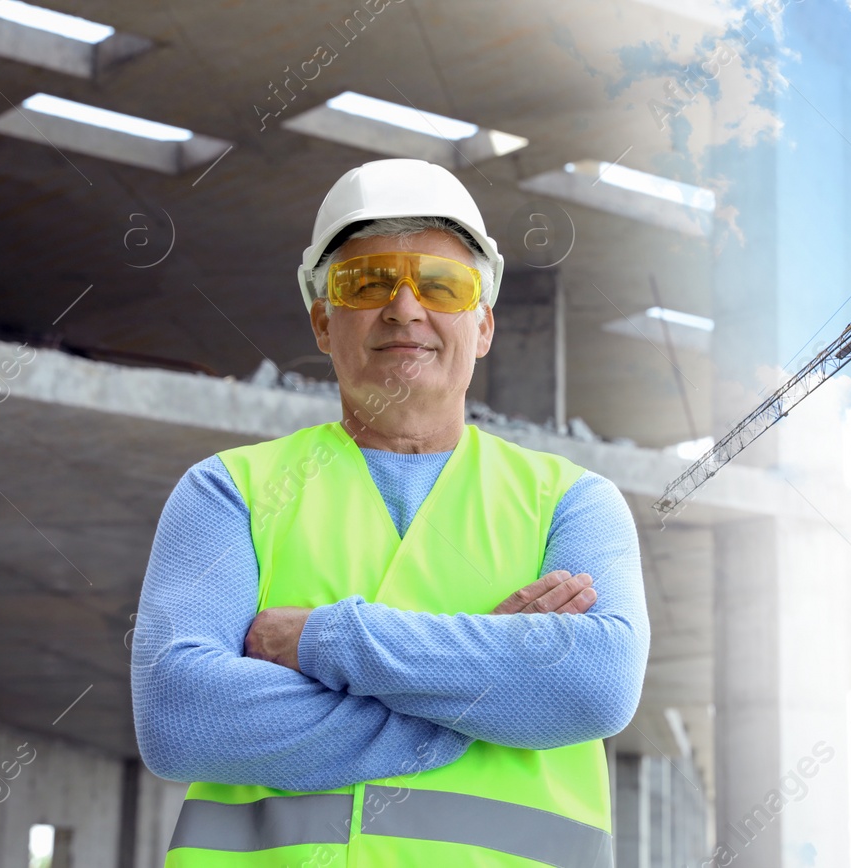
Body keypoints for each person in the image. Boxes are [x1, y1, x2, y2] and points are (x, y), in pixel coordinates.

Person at [131, 158, 649, 868]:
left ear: (484, 324)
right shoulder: (228, 493)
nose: (405, 308)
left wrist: (329, 640)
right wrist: (477, 698)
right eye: (368, 283)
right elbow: (181, 718)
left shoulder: (572, 503)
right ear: (323, 320)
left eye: (440, 285)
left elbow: (595, 685)